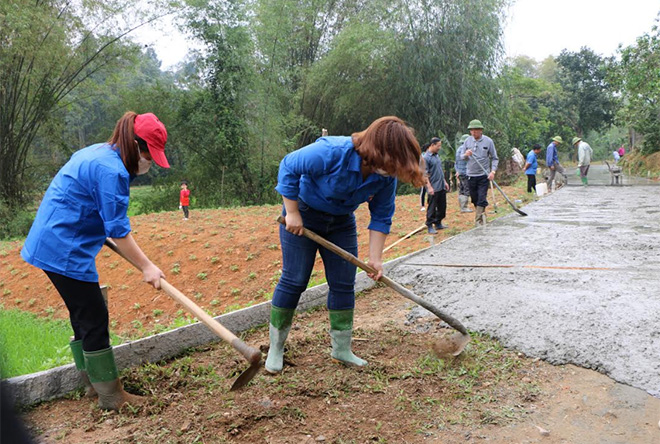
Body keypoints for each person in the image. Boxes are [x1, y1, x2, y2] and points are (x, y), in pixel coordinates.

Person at [21, 112, 169, 411]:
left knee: (83, 314)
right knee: (94, 317)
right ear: (134, 144)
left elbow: (85, 200)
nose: (149, 163)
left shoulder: (99, 152)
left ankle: (91, 384)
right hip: (63, 246)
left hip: (54, 238)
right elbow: (118, 228)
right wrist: (147, 267)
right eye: (148, 154)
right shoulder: (111, 171)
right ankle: (111, 396)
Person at [266, 116, 424, 374]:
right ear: (378, 151)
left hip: (340, 222)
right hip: (304, 213)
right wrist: (292, 212)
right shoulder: (331, 152)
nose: (394, 171)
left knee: (343, 282)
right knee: (295, 280)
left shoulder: (385, 177)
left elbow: (381, 216)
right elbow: (289, 166)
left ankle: (341, 349)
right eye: (393, 163)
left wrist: (375, 259)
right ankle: (276, 347)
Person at [458, 119, 499, 226]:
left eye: (476, 130)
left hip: (484, 175)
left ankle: (478, 222)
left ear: (481, 130)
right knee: (475, 199)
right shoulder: (467, 141)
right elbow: (461, 157)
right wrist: (466, 154)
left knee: (481, 197)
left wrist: (493, 172)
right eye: (471, 130)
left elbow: (495, 158)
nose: (473, 132)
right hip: (471, 175)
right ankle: (482, 215)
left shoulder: (488, 141)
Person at [423, 137, 450, 234]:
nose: (439, 148)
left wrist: (445, 182)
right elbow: (424, 174)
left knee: (442, 206)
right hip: (433, 187)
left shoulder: (437, 156)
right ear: (432, 145)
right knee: (432, 207)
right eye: (438, 146)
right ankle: (430, 224)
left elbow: (439, 171)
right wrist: (429, 187)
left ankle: (438, 222)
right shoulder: (426, 158)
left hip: (441, 185)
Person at [454, 134, 473, 213]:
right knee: (466, 189)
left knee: (461, 189)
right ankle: (464, 207)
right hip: (466, 173)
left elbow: (456, 162)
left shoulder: (458, 149)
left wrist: (457, 170)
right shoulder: (465, 150)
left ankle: (462, 206)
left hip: (460, 172)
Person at [419, 143, 430, 211]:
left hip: (429, 175)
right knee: (423, 191)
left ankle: (429, 204)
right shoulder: (423, 156)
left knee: (430, 191)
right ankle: (422, 205)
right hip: (423, 176)